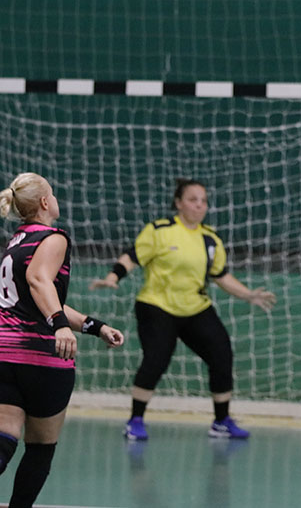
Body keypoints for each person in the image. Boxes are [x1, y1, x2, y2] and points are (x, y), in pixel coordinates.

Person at [90, 178, 276, 441]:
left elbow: (221, 275)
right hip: (156, 306)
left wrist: (248, 294)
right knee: (156, 359)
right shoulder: (160, 230)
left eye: (203, 201)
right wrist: (113, 277)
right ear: (178, 203)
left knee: (222, 353)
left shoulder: (210, 238)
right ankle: (135, 420)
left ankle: (221, 421)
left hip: (195, 307)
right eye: (192, 199)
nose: (199, 205)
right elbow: (132, 257)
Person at [0, 173, 124, 507]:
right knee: (41, 446)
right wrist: (59, 327)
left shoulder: (16, 241)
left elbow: (42, 297)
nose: (55, 199)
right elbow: (39, 280)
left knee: (5, 436)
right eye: (52, 193)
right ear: (44, 202)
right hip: (40, 358)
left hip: (4, 355)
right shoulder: (54, 237)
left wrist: (94, 326)